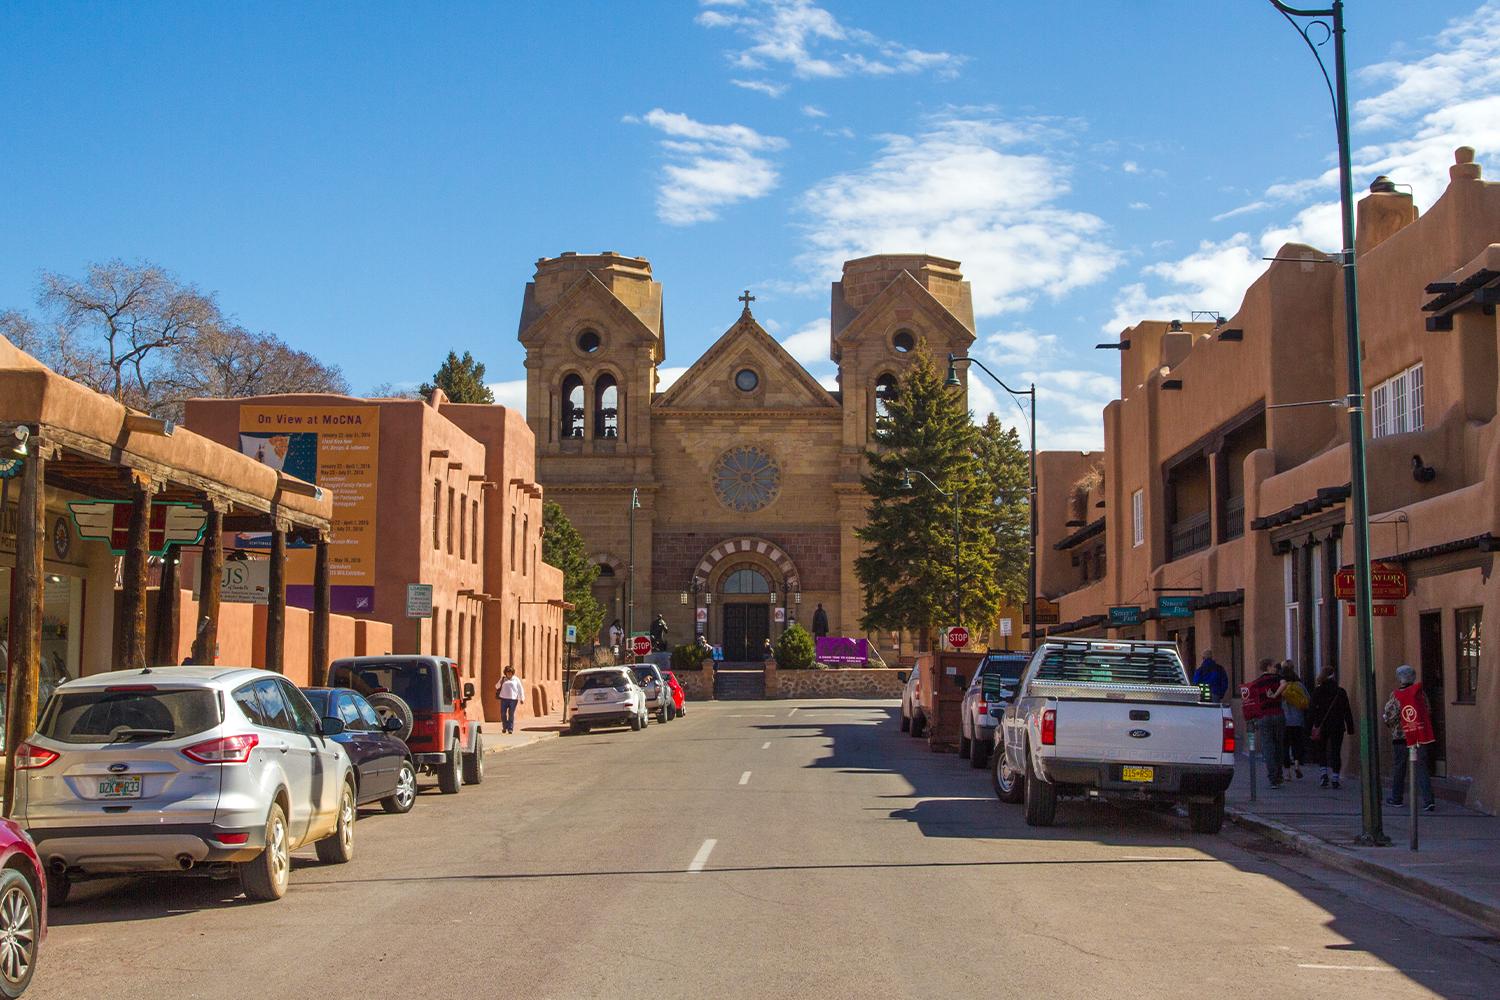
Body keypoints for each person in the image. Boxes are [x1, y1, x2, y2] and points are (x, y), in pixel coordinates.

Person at [1386, 664, 1436, 812]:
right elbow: (1427, 711)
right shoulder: (1420, 694)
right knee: (1422, 767)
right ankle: (1428, 800)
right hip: (1418, 736)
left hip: (1401, 737)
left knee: (1399, 768)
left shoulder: (1396, 695)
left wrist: (1389, 722)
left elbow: (1390, 715)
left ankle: (1397, 798)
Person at [1242, 658, 1288, 788]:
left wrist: (1252, 719)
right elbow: (1284, 685)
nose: (1276, 668)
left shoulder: (1256, 683)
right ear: (1268, 667)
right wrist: (1275, 695)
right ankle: (1279, 775)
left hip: (1263, 717)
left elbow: (1252, 702)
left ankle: (1272, 778)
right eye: (1273, 666)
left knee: (1267, 748)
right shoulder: (1277, 678)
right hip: (1277, 714)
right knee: (1279, 746)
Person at [1307, 666, 1354, 789]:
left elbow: (1311, 710)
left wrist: (1308, 727)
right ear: (1333, 675)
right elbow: (1347, 711)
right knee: (1336, 752)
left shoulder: (1318, 691)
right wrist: (1350, 727)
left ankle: (1323, 773)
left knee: (1322, 750)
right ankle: (1335, 777)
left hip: (1322, 726)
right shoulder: (1340, 691)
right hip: (1338, 725)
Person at [1280, 662, 1310, 779]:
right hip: (1298, 721)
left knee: (1285, 746)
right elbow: (1308, 700)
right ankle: (1297, 765)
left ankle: (1287, 773)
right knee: (1297, 744)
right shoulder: (1299, 686)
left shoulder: (1282, 687)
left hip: (1285, 720)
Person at [495, 666, 525, 735]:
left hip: (513, 699)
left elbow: (520, 689)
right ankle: (504, 726)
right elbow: (496, 687)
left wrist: (522, 698)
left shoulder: (516, 679)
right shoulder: (503, 679)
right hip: (504, 699)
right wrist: (500, 683)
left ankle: (510, 728)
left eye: (510, 673)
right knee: (503, 713)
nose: (508, 674)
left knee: (511, 714)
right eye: (507, 673)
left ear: (512, 673)